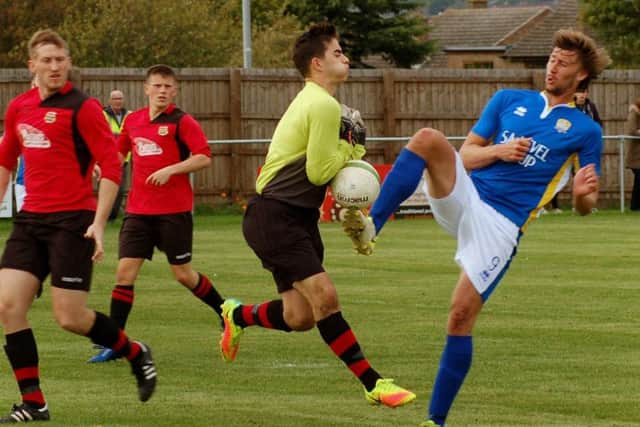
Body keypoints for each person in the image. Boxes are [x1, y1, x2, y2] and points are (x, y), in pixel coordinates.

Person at [343, 29, 609, 426]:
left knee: (460, 316)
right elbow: (465, 155)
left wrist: (585, 195)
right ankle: (372, 226)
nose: (553, 67)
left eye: (564, 62)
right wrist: (498, 151)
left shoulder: (586, 131)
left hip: (501, 226)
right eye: (552, 58)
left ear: (582, 75)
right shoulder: (508, 100)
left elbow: (585, 207)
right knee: (429, 139)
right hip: (467, 195)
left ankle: (435, 421)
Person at [219, 22, 415, 408]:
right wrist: (351, 147)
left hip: (294, 218)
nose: (346, 57)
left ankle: (237, 315)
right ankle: (373, 383)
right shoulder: (323, 104)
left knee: (300, 317)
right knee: (325, 297)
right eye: (337, 52)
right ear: (317, 63)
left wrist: (349, 156)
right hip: (274, 216)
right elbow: (319, 172)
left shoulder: (323, 103)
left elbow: (329, 174)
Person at [0, 29, 157, 422]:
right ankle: (34, 402)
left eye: (61, 59)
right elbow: (5, 161)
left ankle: (135, 352)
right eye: (47, 60)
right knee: (7, 305)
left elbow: (112, 167)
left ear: (68, 63)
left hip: (74, 221)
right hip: (31, 219)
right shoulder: (18, 108)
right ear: (31, 65)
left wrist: (100, 223)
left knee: (69, 317)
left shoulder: (83, 108)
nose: (54, 66)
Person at [88, 64, 225, 363]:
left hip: (173, 213)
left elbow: (203, 156)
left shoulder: (182, 121)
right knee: (124, 273)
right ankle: (116, 341)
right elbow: (116, 154)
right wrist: (97, 165)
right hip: (138, 212)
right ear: (146, 89)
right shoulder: (134, 121)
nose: (162, 91)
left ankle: (225, 311)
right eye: (157, 86)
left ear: (174, 90)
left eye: (168, 86)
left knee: (183, 275)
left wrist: (171, 169)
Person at [546, 85, 603, 213]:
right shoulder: (567, 107)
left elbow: (598, 123)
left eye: (584, 92)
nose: (582, 95)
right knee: (555, 175)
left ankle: (580, 205)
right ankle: (553, 206)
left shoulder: (590, 107)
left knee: (583, 176)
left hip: (582, 149)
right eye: (579, 92)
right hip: (566, 148)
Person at [103, 89, 131, 222]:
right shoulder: (103, 115)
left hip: (123, 159)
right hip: (107, 158)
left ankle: (112, 217)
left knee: (120, 189)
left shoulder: (129, 115)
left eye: (120, 98)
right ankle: (105, 216)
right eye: (115, 99)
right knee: (106, 189)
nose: (118, 101)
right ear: (110, 101)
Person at [625, 97, 640, 211]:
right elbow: (632, 130)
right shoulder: (634, 112)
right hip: (636, 154)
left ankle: (635, 206)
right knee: (639, 180)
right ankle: (635, 206)